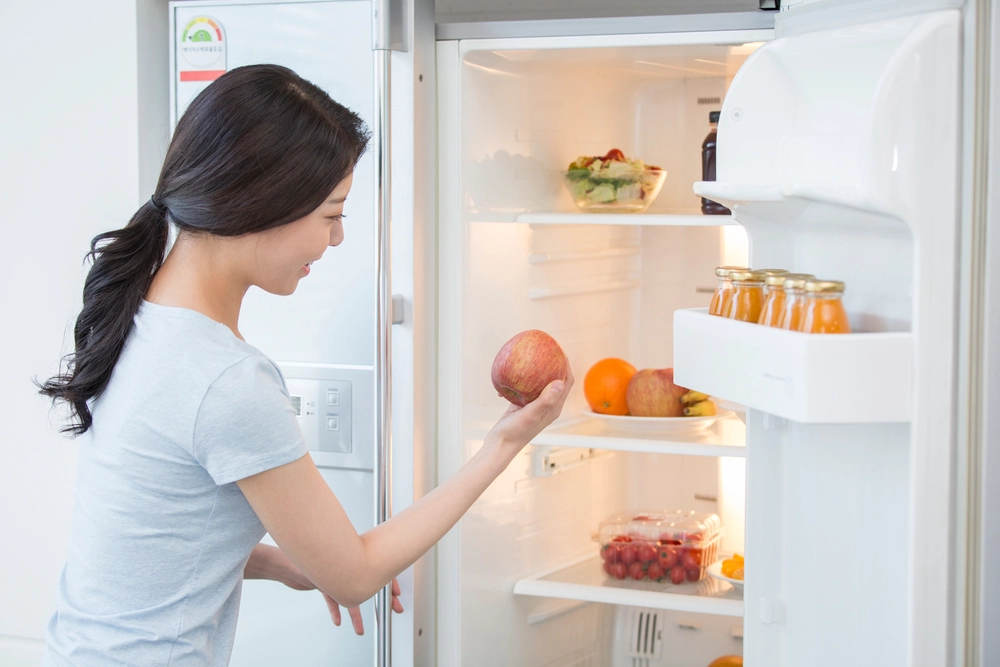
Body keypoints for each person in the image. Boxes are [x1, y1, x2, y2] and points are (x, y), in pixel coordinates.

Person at [38, 64, 572, 666]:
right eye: (331, 214)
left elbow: (152, 531)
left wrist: (279, 560)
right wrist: (503, 443)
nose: (338, 238)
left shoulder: (139, 320)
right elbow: (355, 574)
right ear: (260, 203)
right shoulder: (226, 380)